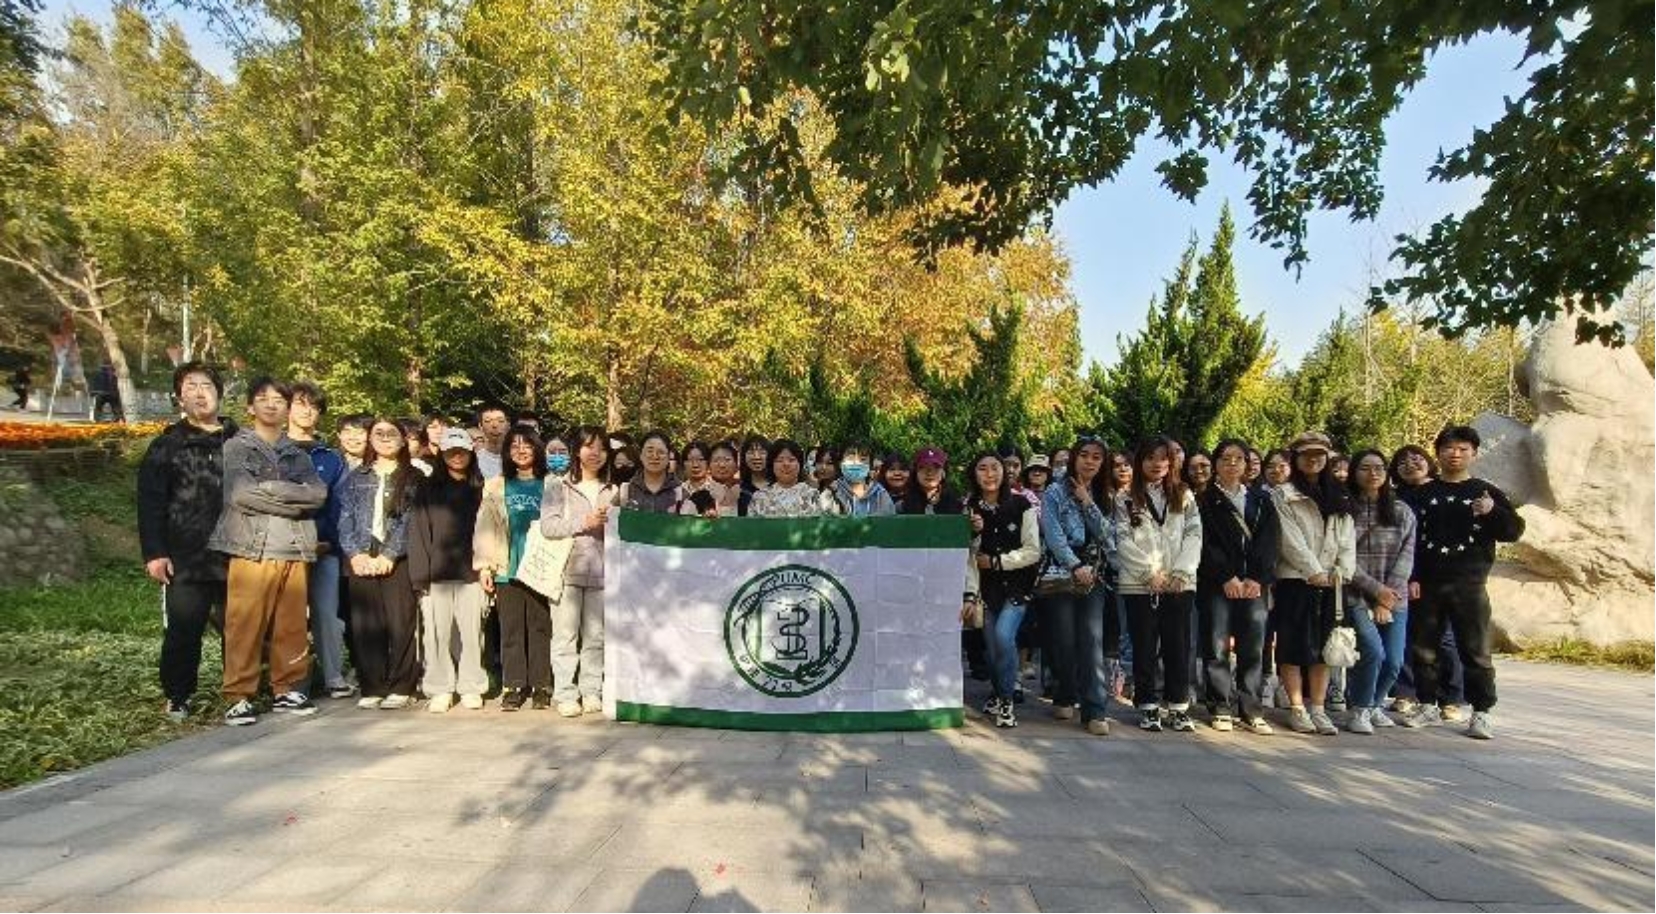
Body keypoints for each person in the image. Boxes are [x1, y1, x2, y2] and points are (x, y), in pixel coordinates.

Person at [207, 377, 327, 726]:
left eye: (279, 399)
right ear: (250, 407)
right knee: (244, 624)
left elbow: (318, 495)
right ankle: (238, 695)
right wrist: (293, 499)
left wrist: (270, 489)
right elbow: (241, 495)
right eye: (263, 398)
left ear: (287, 408)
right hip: (252, 547)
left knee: (292, 625)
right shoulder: (237, 447)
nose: (272, 404)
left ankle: (286, 689)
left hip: (294, 547)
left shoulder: (297, 452)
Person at [1400, 426, 1524, 739]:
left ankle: (1481, 712)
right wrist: (1411, 577)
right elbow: (1409, 540)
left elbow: (1513, 531)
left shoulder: (1485, 491)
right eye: (1449, 448)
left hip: (1470, 584)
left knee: (1475, 650)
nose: (1455, 454)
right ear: (1438, 453)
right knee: (1423, 649)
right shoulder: (1422, 493)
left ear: (1474, 454)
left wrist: (1492, 512)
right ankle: (1427, 704)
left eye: (1463, 449)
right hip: (1427, 584)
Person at [138, 362, 237, 722]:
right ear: (179, 397)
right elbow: (150, 502)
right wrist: (155, 553)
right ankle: (178, 694)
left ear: (219, 393)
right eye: (190, 386)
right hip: (186, 557)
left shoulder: (240, 441)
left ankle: (239, 692)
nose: (199, 392)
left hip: (237, 553)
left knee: (239, 627)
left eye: (206, 385)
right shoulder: (167, 445)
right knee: (184, 628)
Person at [1113, 437, 1202, 733]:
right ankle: (1148, 705)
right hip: (1140, 585)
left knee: (1178, 646)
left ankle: (1178, 706)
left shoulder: (1184, 494)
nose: (1157, 464)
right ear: (1140, 461)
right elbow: (1122, 539)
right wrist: (1148, 573)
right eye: (1150, 457)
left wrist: (1182, 571)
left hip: (1178, 583)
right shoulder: (1125, 496)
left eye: (1163, 458)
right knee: (1144, 646)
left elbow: (1194, 535)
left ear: (1172, 462)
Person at [1271, 431, 1357, 737]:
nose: (1313, 459)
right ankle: (1297, 707)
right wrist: (1313, 570)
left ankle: (1318, 708)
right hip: (1296, 579)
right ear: (1295, 458)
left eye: (1319, 454)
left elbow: (1347, 538)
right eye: (1306, 454)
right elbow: (1288, 539)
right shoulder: (1283, 494)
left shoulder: (1340, 494)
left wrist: (1343, 571)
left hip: (1333, 583)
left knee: (1325, 647)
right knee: (1292, 645)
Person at [1195, 439, 1280, 735]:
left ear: (1247, 464)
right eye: (1225, 458)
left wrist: (1257, 578)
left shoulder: (1262, 500)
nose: (1232, 464)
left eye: (1239, 458)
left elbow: (1270, 542)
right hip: (1217, 584)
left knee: (1253, 647)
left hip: (1253, 585)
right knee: (1216, 645)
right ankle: (1220, 706)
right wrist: (1225, 576)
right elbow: (1203, 543)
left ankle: (1251, 709)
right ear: (1215, 464)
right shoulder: (1203, 500)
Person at [339, 418, 423, 711]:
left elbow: (411, 519)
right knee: (366, 624)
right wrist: (354, 554)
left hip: (398, 558)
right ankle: (372, 685)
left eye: (392, 433)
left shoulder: (413, 477)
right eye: (379, 433)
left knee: (401, 622)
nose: (385, 438)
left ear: (403, 439)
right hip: (361, 556)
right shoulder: (356, 477)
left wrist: (389, 554)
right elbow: (345, 517)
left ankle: (402, 685)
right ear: (370, 439)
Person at [1038, 436, 1115, 735]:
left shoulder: (1106, 493)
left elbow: (1109, 537)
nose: (1090, 461)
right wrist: (1074, 564)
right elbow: (1053, 534)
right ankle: (1065, 693)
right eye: (1084, 455)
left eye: (1097, 457)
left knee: (1092, 640)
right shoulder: (1054, 491)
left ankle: (1095, 709)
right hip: (1061, 572)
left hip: (1095, 575)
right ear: (1074, 457)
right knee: (1064, 640)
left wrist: (1088, 502)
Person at [408, 429, 487, 714]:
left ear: (471, 453)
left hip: (472, 573)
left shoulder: (482, 488)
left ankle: (471, 686)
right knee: (436, 635)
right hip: (436, 574)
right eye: (451, 451)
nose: (457, 456)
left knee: (472, 634)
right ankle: (440, 688)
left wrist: (488, 567)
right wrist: (420, 576)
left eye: (462, 451)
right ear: (442, 454)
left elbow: (490, 532)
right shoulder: (428, 489)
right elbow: (418, 532)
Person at [540, 425, 617, 717]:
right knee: (565, 636)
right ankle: (565, 693)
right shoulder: (557, 485)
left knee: (596, 637)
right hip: (566, 572)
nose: (595, 453)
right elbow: (548, 526)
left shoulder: (614, 490)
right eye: (588, 446)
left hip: (602, 573)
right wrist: (584, 522)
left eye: (601, 448)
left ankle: (591, 690)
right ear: (577, 451)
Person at [477, 426, 554, 710]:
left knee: (539, 627)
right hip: (506, 567)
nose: (521, 451)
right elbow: (485, 527)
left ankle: (541, 684)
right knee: (510, 629)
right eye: (514, 446)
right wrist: (485, 566)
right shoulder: (496, 485)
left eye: (527, 445)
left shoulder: (551, 484)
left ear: (537, 449)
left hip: (540, 568)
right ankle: (514, 684)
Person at [964, 452, 1043, 729]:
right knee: (991, 649)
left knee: (1003, 636)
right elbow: (969, 556)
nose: (989, 474)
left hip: (1018, 586)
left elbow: (1033, 551)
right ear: (974, 474)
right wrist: (974, 533)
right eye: (982, 468)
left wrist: (998, 562)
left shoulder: (1022, 504)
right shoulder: (970, 508)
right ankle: (998, 693)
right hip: (986, 590)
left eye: (994, 468)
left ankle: (1007, 700)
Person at [1388, 444, 1465, 718]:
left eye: (1416, 458)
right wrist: (1409, 577)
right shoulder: (1394, 498)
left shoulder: (1444, 492)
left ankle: (1451, 698)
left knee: (1445, 638)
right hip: (1403, 576)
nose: (1410, 464)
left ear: (1429, 461)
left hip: (1441, 576)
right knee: (1406, 635)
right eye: (1402, 461)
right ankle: (1406, 693)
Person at [287, 380, 353, 700]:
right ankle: (294, 683)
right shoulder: (272, 450)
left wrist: (326, 540)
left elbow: (339, 504)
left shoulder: (331, 457)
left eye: (314, 406)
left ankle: (333, 676)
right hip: (283, 549)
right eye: (300, 404)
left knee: (327, 614)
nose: (307, 411)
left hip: (324, 549)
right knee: (290, 616)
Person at [1344, 448, 1416, 734]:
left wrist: (1387, 599)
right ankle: (1359, 709)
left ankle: (1374, 705)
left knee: (1395, 660)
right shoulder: (1344, 510)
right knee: (1373, 651)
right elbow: (1342, 558)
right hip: (1355, 593)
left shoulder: (1402, 511)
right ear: (1354, 472)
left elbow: (1407, 556)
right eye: (1365, 468)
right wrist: (1376, 591)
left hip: (1395, 597)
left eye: (1378, 468)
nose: (1372, 473)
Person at [748, 439, 823, 517]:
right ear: (771, 465)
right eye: (779, 460)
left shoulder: (811, 494)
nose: (786, 464)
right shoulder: (760, 497)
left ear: (800, 464)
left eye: (791, 460)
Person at [823, 442, 896, 516]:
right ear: (840, 463)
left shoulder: (880, 494)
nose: (856, 463)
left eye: (863, 459)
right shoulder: (831, 492)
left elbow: (890, 520)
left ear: (870, 465)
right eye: (851, 458)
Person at [619, 431, 682, 512]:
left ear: (669, 456)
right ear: (640, 455)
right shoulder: (626, 490)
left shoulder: (681, 492)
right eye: (650, 451)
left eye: (661, 452)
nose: (655, 456)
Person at [677, 440, 736, 516]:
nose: (695, 465)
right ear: (683, 464)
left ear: (708, 462)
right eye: (690, 460)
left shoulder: (722, 491)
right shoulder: (676, 492)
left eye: (701, 459)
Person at [899, 447, 964, 515]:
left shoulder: (958, 502)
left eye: (936, 467)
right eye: (923, 467)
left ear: (943, 472)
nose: (929, 473)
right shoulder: (902, 505)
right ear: (915, 472)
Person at [475, 404, 511, 479]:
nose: (495, 425)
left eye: (500, 421)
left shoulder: (519, 458)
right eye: (488, 421)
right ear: (480, 427)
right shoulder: (475, 461)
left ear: (508, 425)